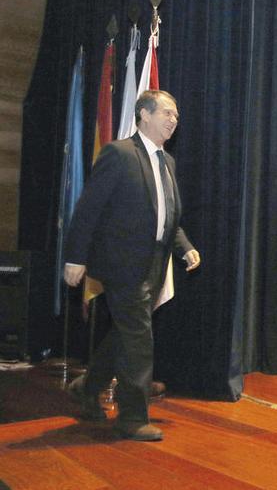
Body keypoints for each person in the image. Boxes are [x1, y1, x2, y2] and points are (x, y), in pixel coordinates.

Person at [64, 90, 201, 441]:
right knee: (139, 337)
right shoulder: (119, 153)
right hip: (121, 263)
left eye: (176, 116)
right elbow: (88, 209)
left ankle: (86, 386)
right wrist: (75, 257)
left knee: (124, 334)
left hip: (155, 263)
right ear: (144, 115)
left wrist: (184, 247)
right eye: (167, 113)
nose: (174, 120)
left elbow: (168, 213)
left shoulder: (167, 162)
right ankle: (132, 416)